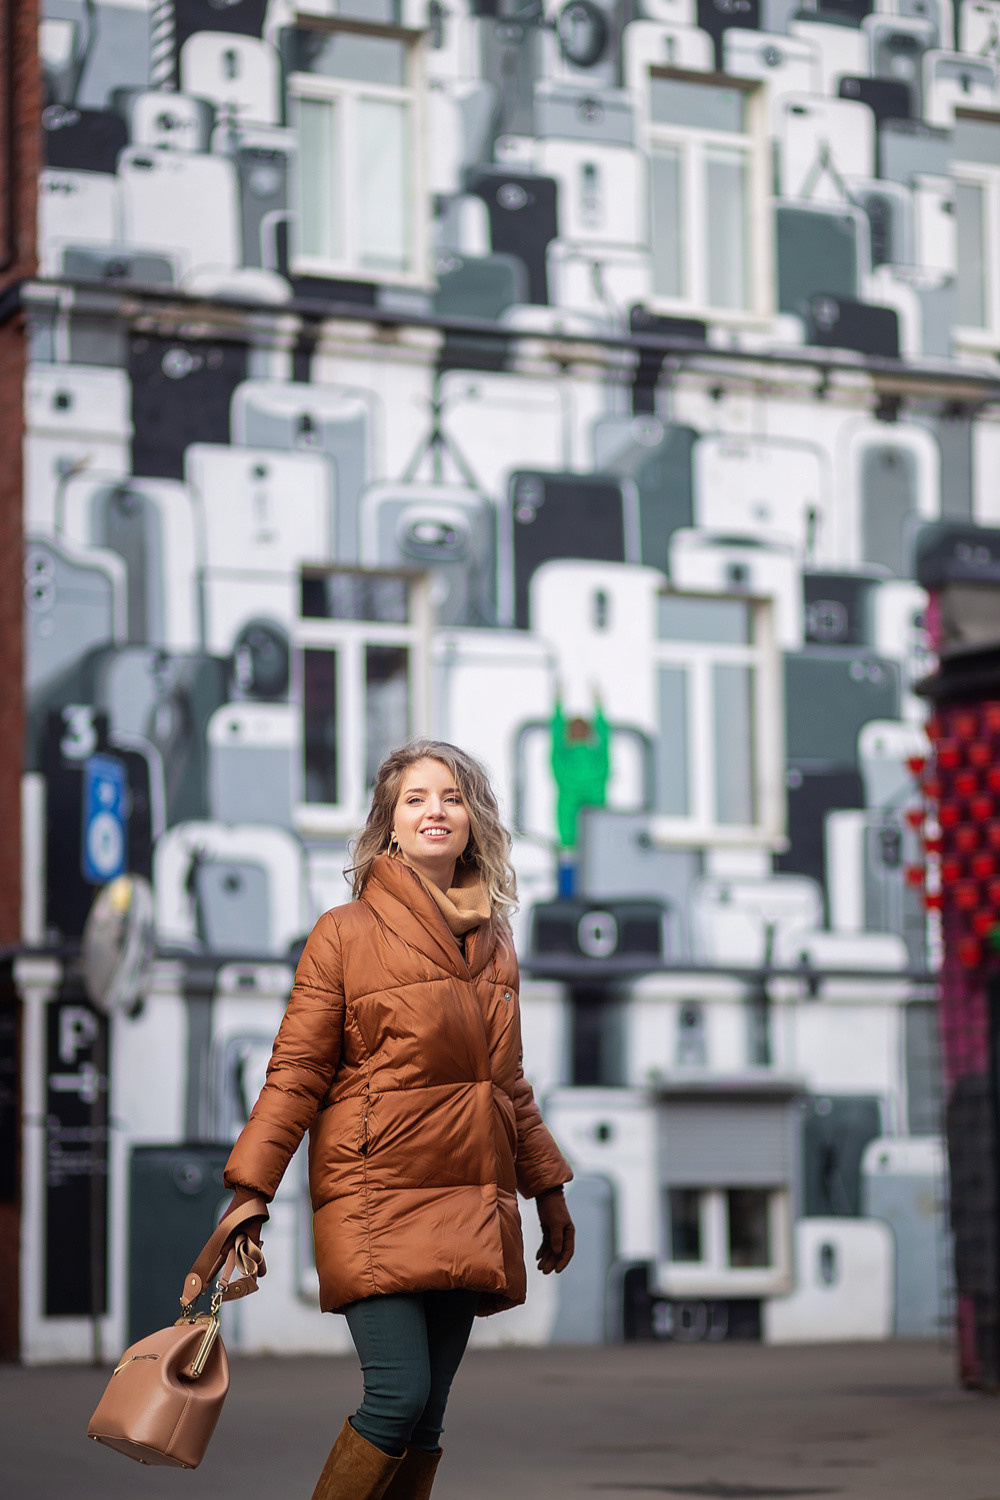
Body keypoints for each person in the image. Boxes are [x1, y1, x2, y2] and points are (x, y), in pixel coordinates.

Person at [220, 740, 576, 1500]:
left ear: (473, 820)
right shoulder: (343, 932)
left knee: (428, 1417)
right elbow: (297, 1072)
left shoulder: (496, 943)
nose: (434, 811)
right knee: (397, 1398)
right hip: (376, 1193)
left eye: (450, 797)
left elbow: (505, 1082)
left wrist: (549, 1191)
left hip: (470, 1195)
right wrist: (252, 1189)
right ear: (389, 826)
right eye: (415, 798)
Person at [550, 689, 611, 895]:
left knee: (568, 896)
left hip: (568, 839)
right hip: (596, 836)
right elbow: (606, 739)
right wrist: (599, 707)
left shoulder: (562, 764)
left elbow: (556, 740)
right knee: (597, 888)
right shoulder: (599, 762)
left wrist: (558, 705)